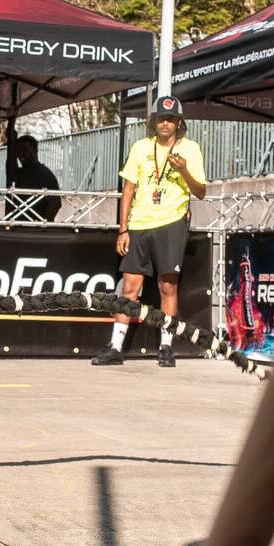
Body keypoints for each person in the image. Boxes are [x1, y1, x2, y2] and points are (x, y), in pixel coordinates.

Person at [93, 96, 206, 369]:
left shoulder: (190, 149)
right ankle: (116, 347)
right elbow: (128, 190)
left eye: (170, 118)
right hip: (140, 224)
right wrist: (123, 229)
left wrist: (184, 171)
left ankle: (166, 347)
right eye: (160, 118)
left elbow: (200, 192)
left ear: (179, 122)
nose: (164, 123)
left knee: (168, 285)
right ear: (153, 121)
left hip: (171, 223)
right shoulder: (141, 147)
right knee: (130, 287)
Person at [7, 134, 61, 222]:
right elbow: (11, 168)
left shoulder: (44, 174)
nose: (21, 155)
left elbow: (56, 203)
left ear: (35, 150)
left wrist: (42, 225)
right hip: (21, 225)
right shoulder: (20, 173)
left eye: (25, 150)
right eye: (18, 152)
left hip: (35, 228)